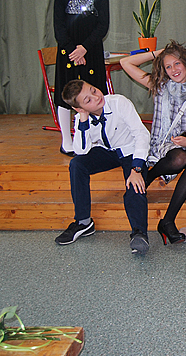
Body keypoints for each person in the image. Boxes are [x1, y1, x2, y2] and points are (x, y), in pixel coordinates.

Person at [119, 41, 186, 245]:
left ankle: (167, 220)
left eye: (177, 63)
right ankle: (149, 175)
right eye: (168, 66)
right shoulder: (158, 86)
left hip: (182, 142)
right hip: (160, 144)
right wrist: (157, 53)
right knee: (180, 158)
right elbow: (125, 63)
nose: (174, 69)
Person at [54, 80, 151, 255]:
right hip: (107, 151)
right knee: (77, 164)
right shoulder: (80, 118)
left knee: (134, 185)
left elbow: (141, 134)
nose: (96, 97)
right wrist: (83, 119)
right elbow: (80, 150)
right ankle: (83, 222)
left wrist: (136, 168)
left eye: (93, 90)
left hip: (130, 150)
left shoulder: (119, 102)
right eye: (88, 100)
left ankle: (139, 233)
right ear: (79, 108)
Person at [53, 0, 109, 156]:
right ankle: (67, 141)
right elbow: (58, 26)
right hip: (68, 53)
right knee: (65, 94)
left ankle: (93, 138)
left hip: (91, 50)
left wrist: (84, 48)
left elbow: (103, 25)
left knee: (93, 92)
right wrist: (72, 51)